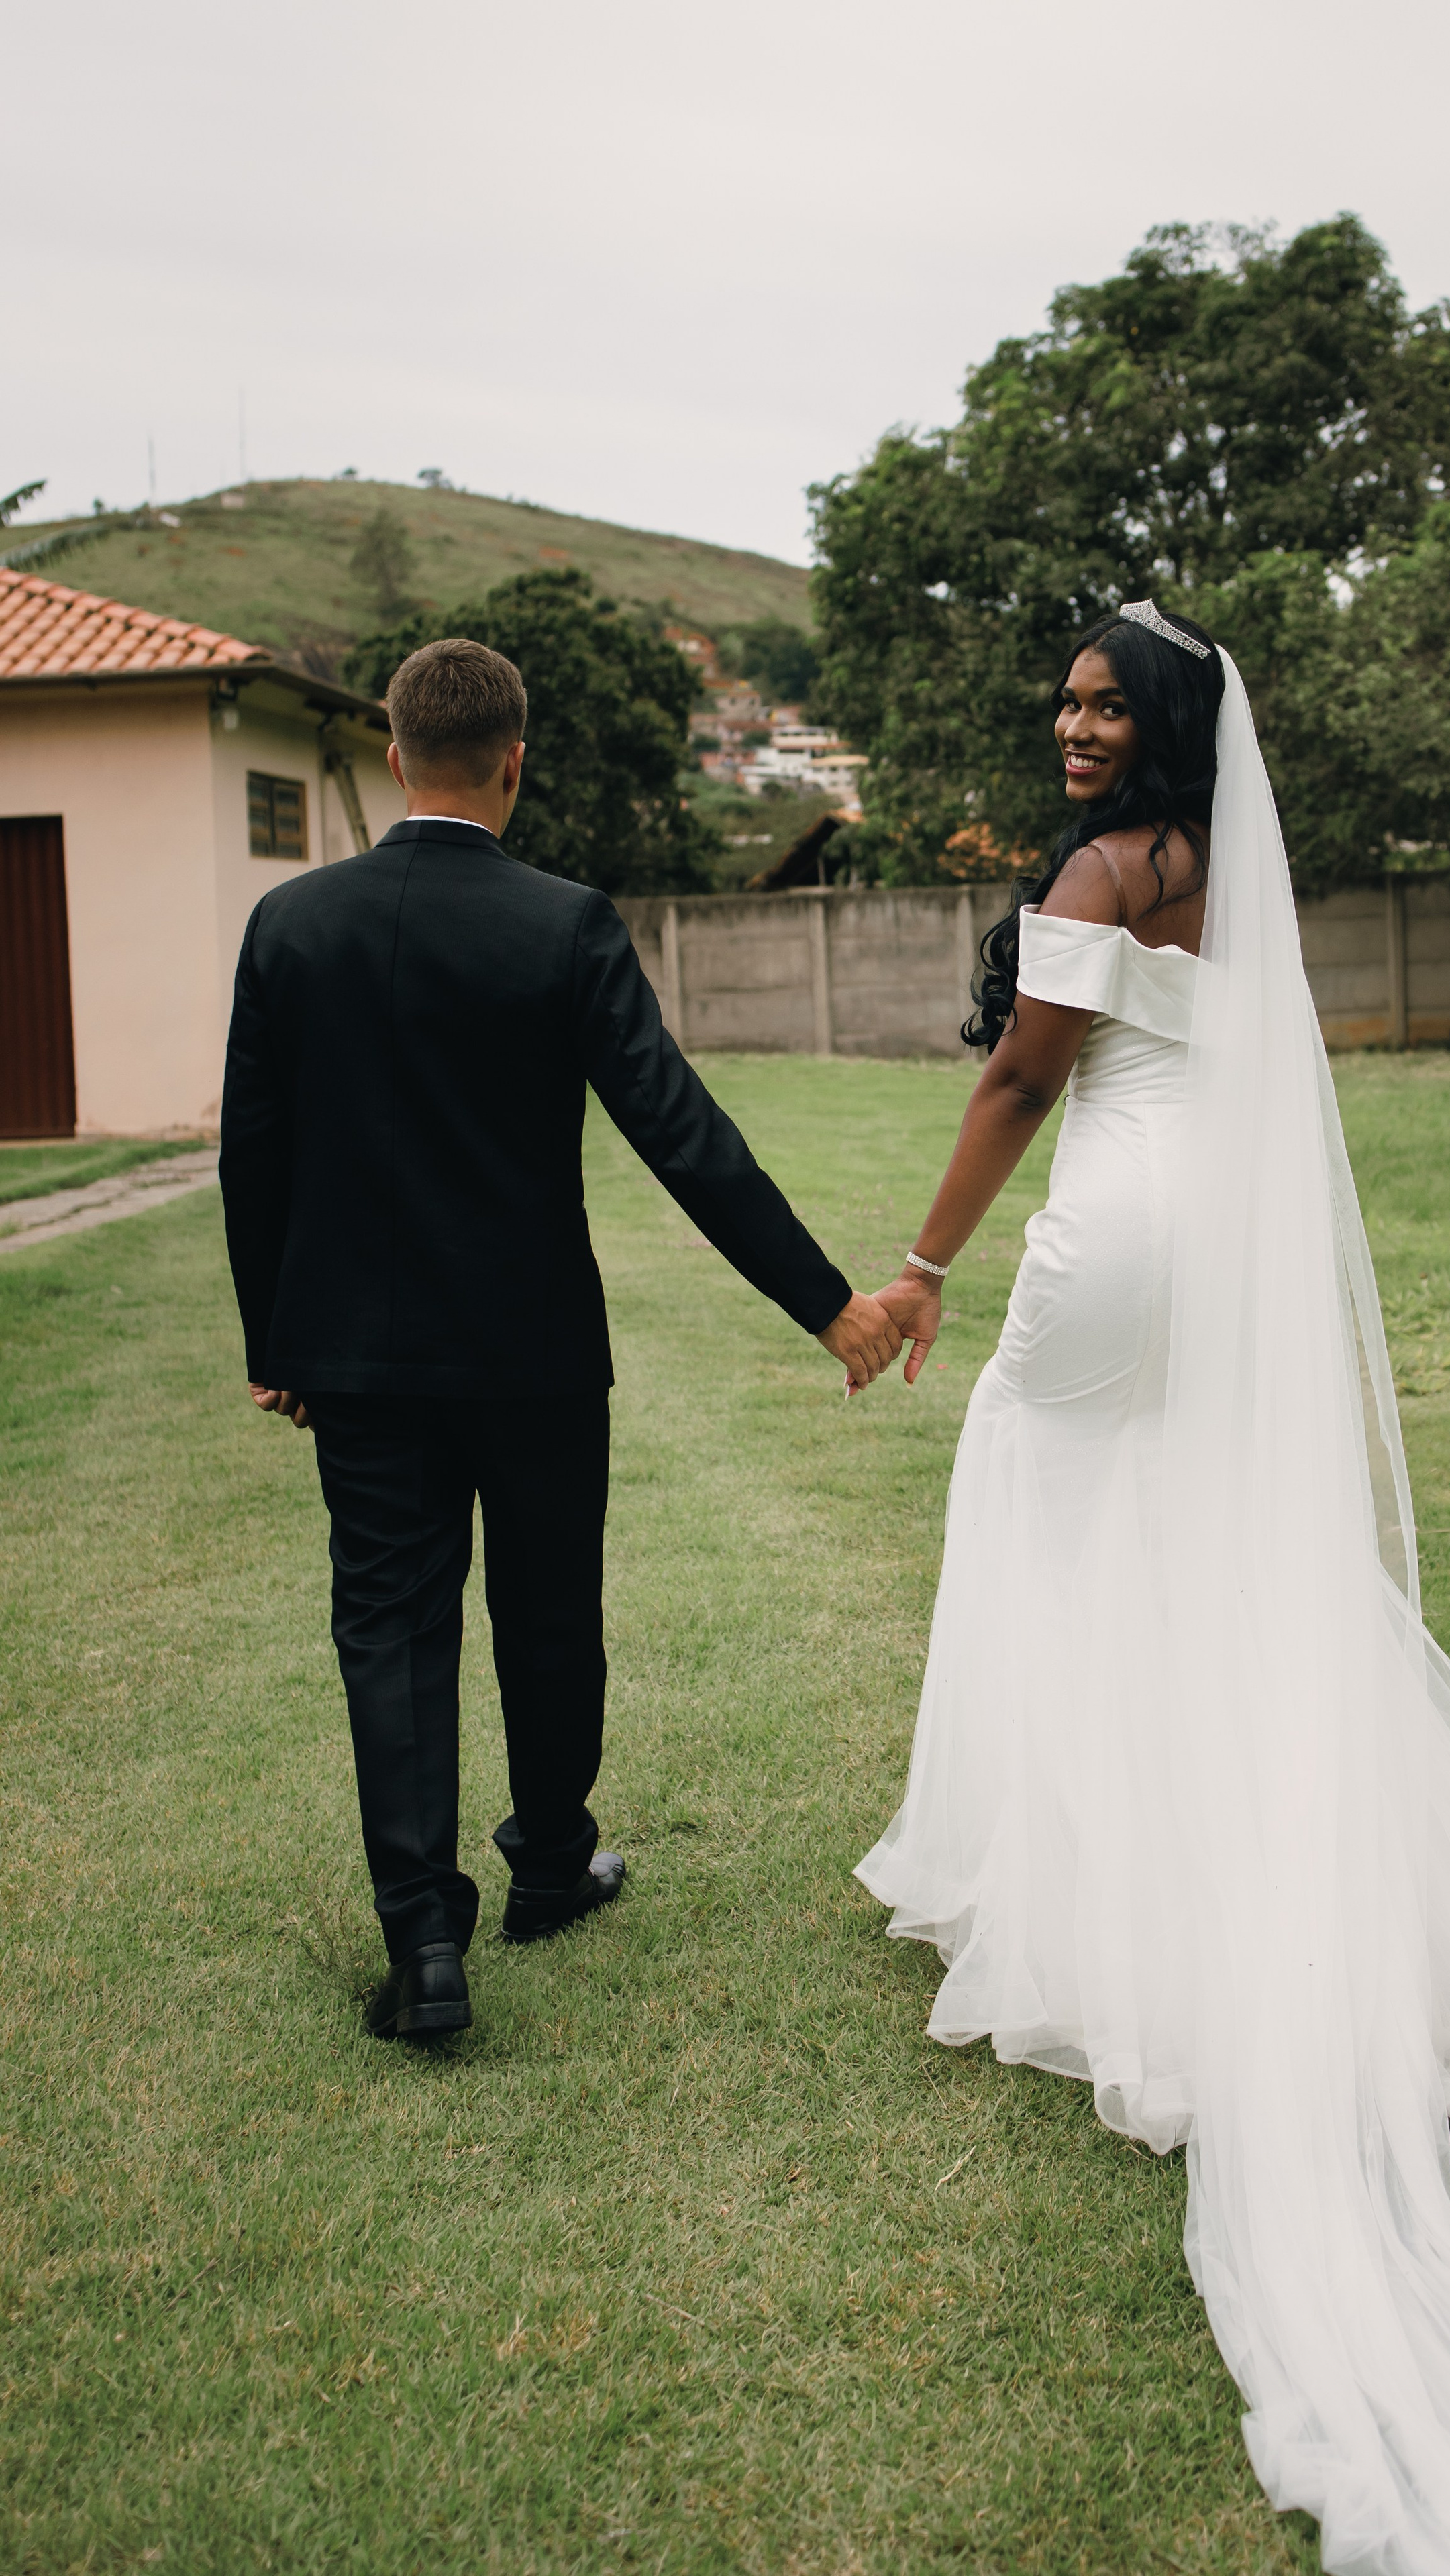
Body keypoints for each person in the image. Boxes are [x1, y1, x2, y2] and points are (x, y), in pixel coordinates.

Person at [858, 602, 1450, 2573]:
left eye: (1107, 704)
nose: (1075, 726)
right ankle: (1198, 1863)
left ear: (1166, 723)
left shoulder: (1104, 872)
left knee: (1032, 1488)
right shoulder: (1230, 867)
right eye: (1065, 701)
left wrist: (920, 1269)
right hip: (1215, 1252)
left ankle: (1054, 1883)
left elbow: (1020, 1085)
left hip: (1112, 1237)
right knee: (1204, 1540)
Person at [220, 636, 900, 2041]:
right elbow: (682, 1135)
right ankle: (546, 1866)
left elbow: (255, 1154)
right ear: (515, 766)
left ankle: (424, 1945)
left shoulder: (288, 924)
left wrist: (270, 1339)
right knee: (546, 1609)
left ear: (393, 758)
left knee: (389, 1629)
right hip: (532, 1350)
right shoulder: (565, 925)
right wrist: (827, 1303)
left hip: (356, 1355)